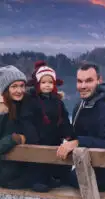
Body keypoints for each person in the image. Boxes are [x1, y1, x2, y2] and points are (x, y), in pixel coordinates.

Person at [57, 62, 105, 191]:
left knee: (60, 180)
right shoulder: (80, 105)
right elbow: (78, 134)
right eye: (80, 81)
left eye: (89, 81)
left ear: (99, 81)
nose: (83, 86)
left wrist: (78, 142)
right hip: (89, 166)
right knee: (56, 177)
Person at [26, 62, 74, 192]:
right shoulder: (31, 101)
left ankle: (51, 178)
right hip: (38, 138)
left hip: (54, 137)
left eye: (50, 82)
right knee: (38, 162)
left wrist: (69, 134)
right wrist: (33, 137)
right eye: (43, 82)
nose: (47, 85)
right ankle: (37, 181)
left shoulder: (57, 101)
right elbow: (28, 120)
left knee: (53, 160)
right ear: (37, 84)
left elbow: (63, 118)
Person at [0, 65, 39, 188]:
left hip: (22, 171)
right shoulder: (3, 111)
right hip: (5, 174)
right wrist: (13, 139)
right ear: (5, 90)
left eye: (22, 86)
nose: (19, 90)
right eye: (14, 86)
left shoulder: (25, 106)